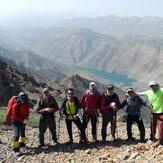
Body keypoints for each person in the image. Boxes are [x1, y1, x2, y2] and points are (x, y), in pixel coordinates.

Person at [139, 81, 163, 146]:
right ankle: (152, 138)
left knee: (160, 126)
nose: (152, 87)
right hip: (153, 112)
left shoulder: (161, 90)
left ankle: (161, 140)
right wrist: (130, 94)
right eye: (151, 86)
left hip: (161, 113)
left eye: (153, 85)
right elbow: (139, 94)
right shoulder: (148, 92)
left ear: (157, 85)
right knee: (152, 125)